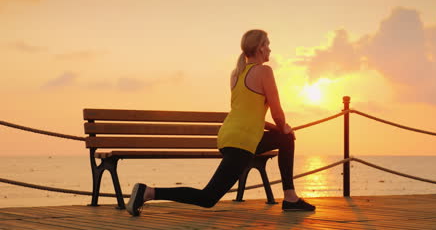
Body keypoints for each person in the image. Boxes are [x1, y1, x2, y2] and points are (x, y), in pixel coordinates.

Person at [126, 29, 315, 216]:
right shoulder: (264, 71)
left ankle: (290, 198)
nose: (270, 50)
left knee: (285, 138)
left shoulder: (236, 73)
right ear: (260, 48)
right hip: (242, 142)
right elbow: (277, 112)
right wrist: (283, 126)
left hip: (230, 136)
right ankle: (148, 192)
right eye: (268, 45)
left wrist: (281, 131)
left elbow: (248, 113)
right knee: (208, 198)